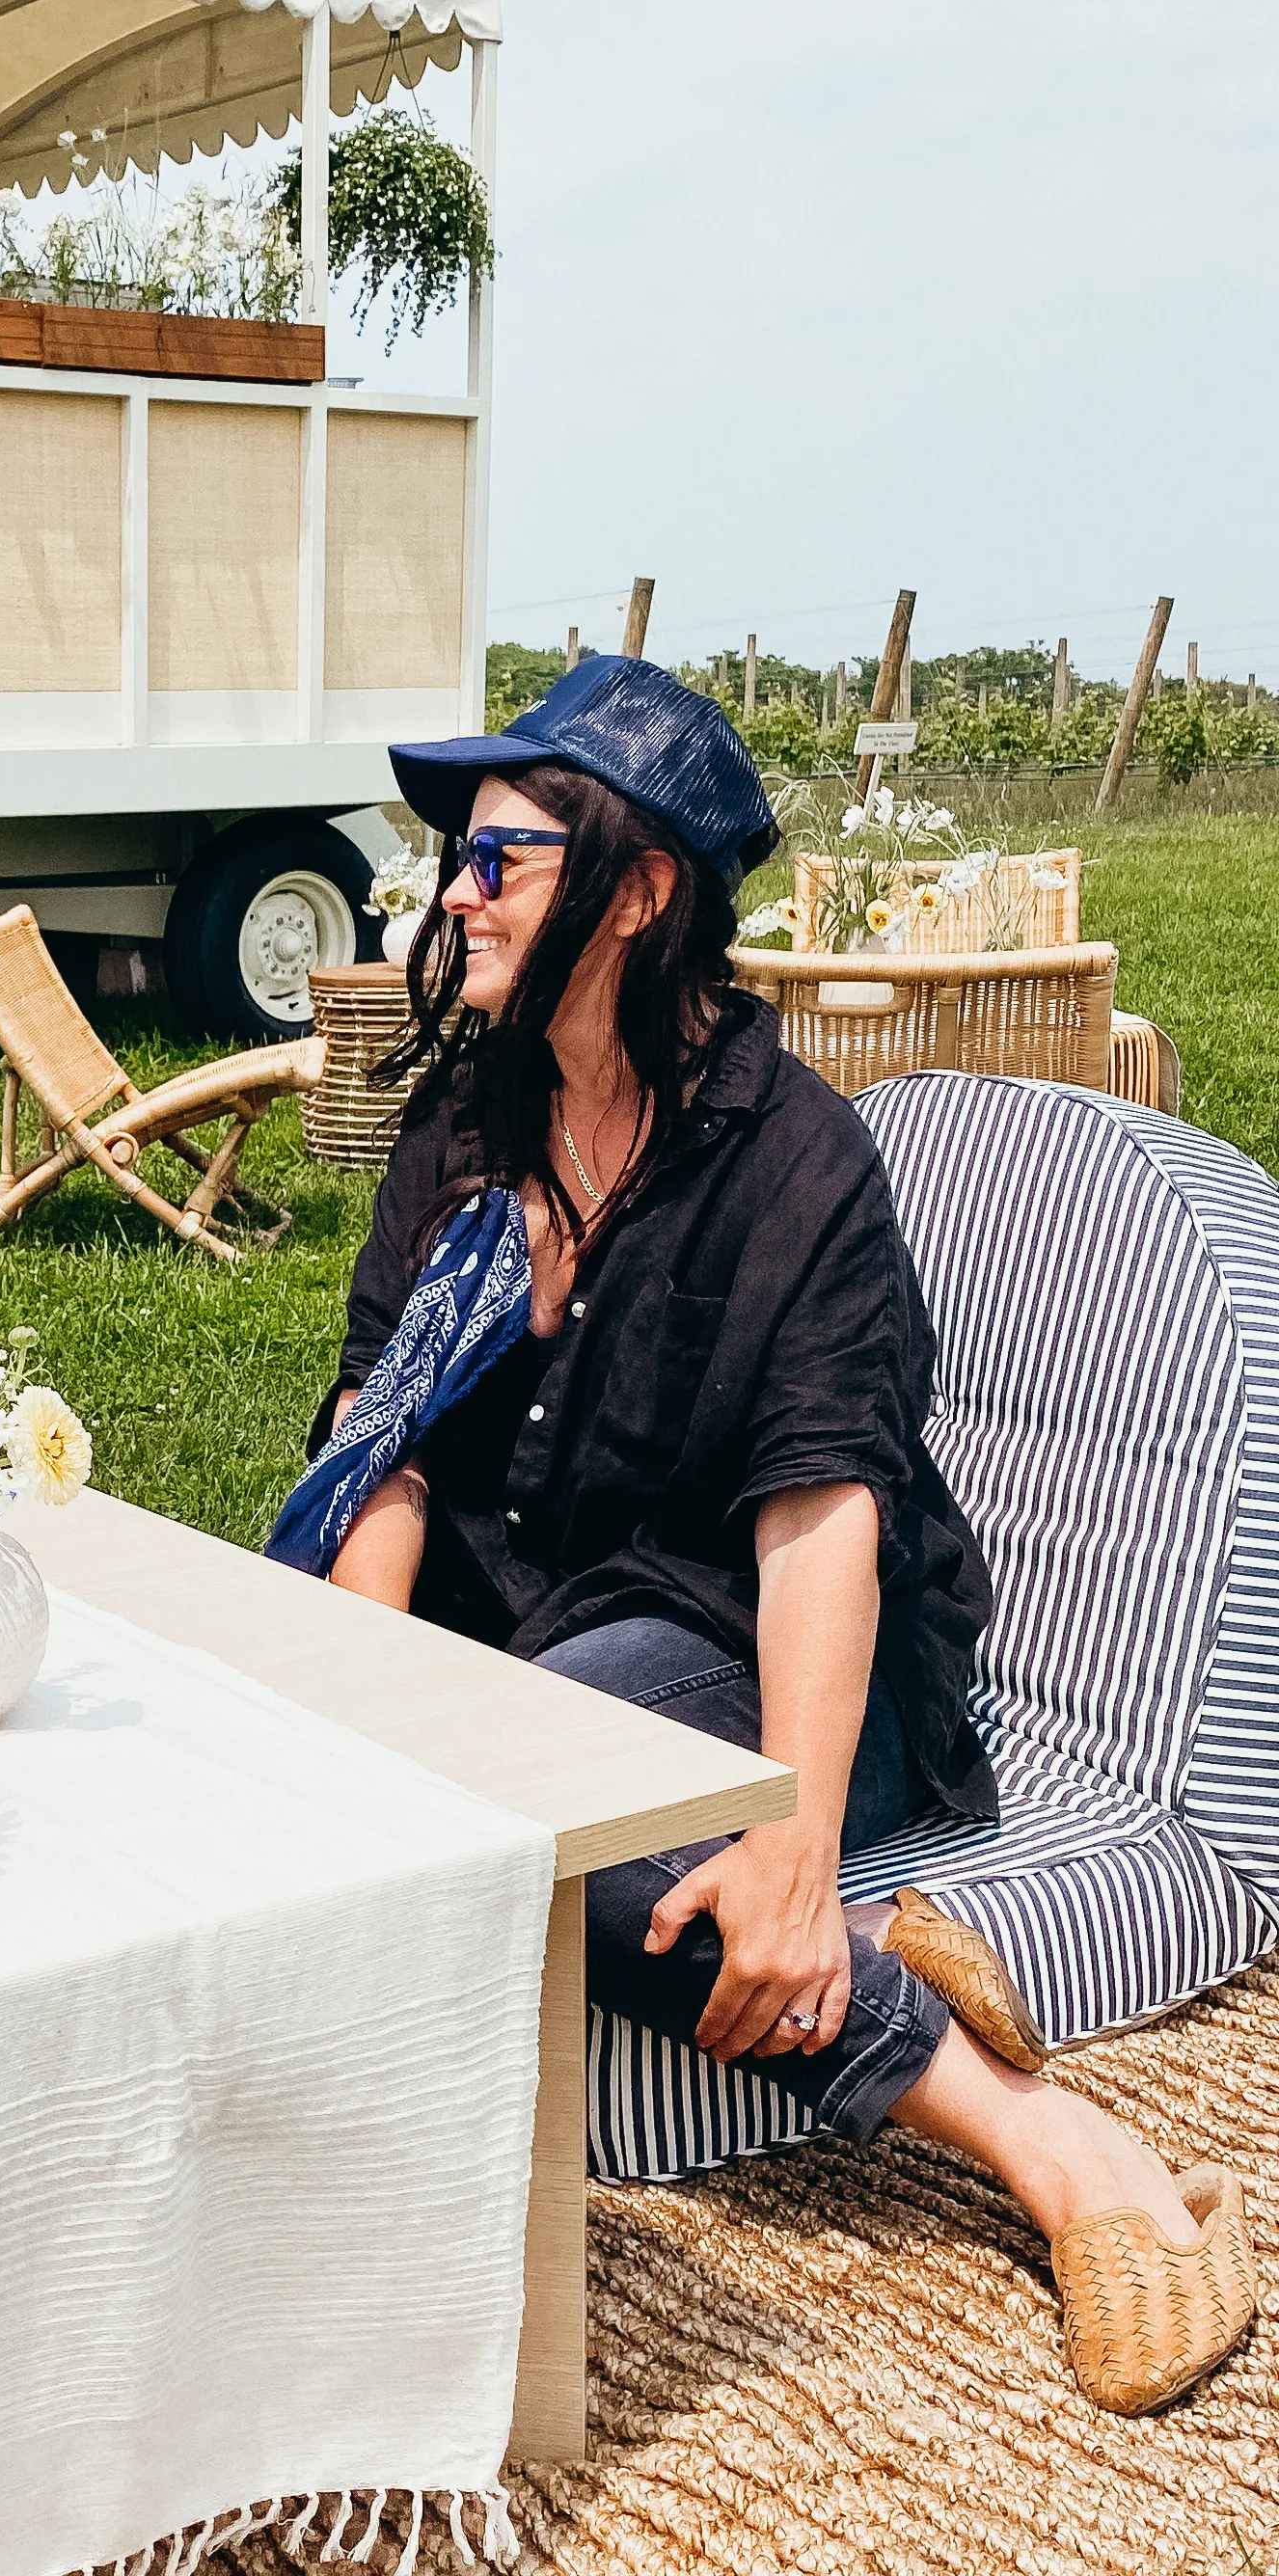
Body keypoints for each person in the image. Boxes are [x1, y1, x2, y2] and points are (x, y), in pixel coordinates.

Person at [268, 658, 1252, 2419]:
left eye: (497, 860)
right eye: (456, 864)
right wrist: (349, 1719)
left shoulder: (794, 1165)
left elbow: (819, 1518)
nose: (452, 897)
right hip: (532, 1639)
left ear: (636, 893)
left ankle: (1042, 2138)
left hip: (769, 1649)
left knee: (542, 1827)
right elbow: (383, 1452)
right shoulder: (467, 1122)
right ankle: (903, 1961)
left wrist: (794, 1842)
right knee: (328, 1765)